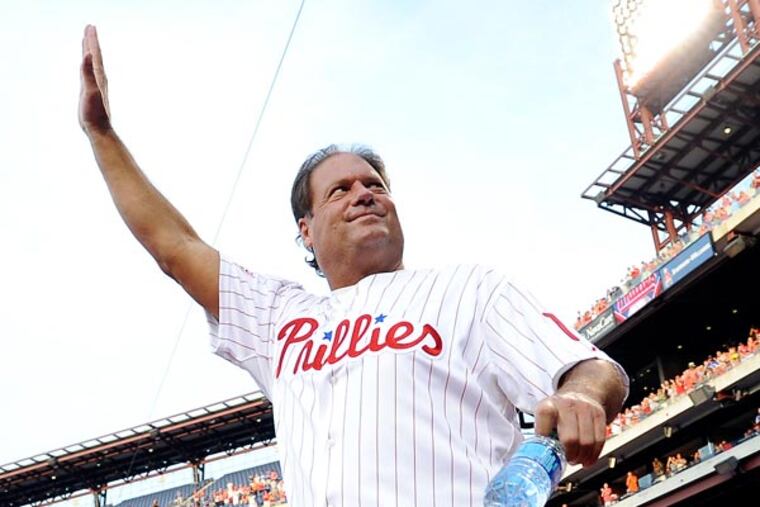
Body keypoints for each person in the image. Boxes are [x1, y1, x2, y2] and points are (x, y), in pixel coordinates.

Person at [79, 25, 629, 506]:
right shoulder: (279, 318)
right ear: (307, 230)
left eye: (375, 186)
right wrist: (103, 137)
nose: (363, 195)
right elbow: (175, 247)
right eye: (340, 190)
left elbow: (591, 368)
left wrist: (581, 394)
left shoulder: (469, 290)